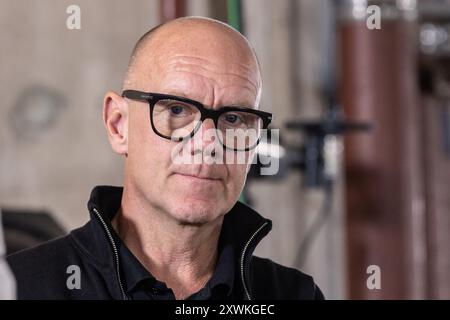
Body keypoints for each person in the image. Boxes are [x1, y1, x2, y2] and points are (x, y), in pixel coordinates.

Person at [7, 17, 324, 300]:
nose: (208, 142)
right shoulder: (23, 288)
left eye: (234, 119)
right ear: (119, 124)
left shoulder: (294, 294)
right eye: (177, 110)